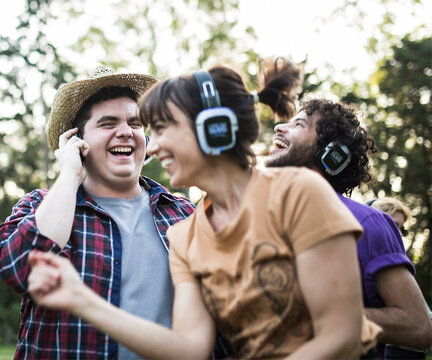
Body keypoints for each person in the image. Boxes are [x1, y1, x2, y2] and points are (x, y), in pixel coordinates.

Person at [26, 58, 382, 359]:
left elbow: (343, 333)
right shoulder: (184, 235)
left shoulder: (300, 192)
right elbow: (190, 347)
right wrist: (82, 300)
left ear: (213, 128)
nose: (151, 147)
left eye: (162, 129)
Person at [0, 66, 196, 359]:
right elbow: (21, 271)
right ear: (77, 142)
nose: (125, 132)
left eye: (135, 124)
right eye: (108, 123)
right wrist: (70, 174)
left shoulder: (184, 213)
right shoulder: (40, 206)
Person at [265, 98, 432, 358]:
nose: (279, 128)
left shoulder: (365, 224)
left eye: (299, 124)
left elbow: (418, 325)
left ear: (332, 153)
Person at [369, 197, 432, 359]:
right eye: (393, 224)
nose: (397, 233)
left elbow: (424, 315)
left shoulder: (397, 262)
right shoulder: (369, 259)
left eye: (401, 228)